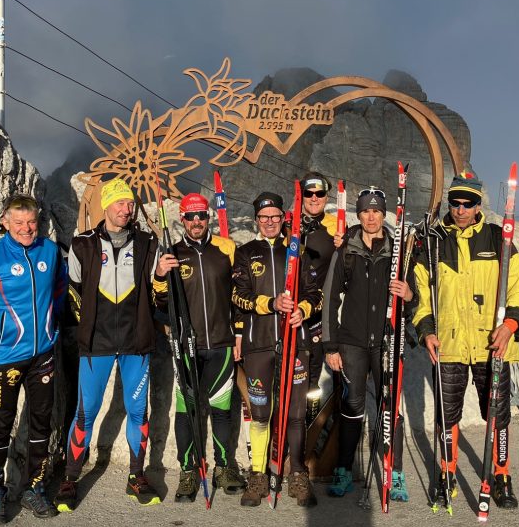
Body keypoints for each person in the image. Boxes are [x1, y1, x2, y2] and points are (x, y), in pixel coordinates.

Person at [411, 172, 519, 509]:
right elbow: (422, 297)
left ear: (479, 206)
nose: (461, 209)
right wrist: (426, 331)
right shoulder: (434, 242)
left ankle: (502, 476)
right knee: (447, 415)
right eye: (455, 202)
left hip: (491, 344)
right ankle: (447, 473)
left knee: (498, 414)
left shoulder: (498, 239)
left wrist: (509, 326)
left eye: (468, 203)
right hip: (448, 343)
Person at [54, 178, 161, 509]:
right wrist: (83, 329)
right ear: (106, 206)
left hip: (136, 344)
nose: (126, 210)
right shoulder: (83, 244)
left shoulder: (147, 243)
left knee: (138, 411)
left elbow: (159, 291)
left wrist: (162, 276)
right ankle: (70, 478)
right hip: (95, 345)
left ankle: (136, 476)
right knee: (85, 412)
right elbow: (71, 291)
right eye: (119, 203)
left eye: (130, 204)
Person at [0, 193, 66, 525]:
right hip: (6, 359)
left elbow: (59, 292)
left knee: (41, 425)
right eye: (19, 223)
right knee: (1, 427)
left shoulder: (50, 252)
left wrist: (56, 329)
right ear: (5, 223)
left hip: (43, 356)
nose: (27, 229)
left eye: (32, 222)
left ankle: (33, 488)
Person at [232, 191, 324, 508]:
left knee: (296, 414)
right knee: (260, 415)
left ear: (284, 219)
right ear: (257, 221)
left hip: (295, 345)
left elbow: (317, 297)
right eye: (263, 218)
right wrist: (270, 304)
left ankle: (297, 475)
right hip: (259, 347)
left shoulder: (299, 254)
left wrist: (303, 309)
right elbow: (238, 297)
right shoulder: (246, 253)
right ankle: (258, 475)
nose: (269, 223)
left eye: (274, 217)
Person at [321, 187, 413, 500]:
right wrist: (330, 346)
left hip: (386, 340)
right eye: (365, 211)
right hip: (352, 341)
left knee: (390, 408)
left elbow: (416, 296)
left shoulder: (398, 249)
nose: (371, 217)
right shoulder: (346, 247)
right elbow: (330, 297)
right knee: (352, 407)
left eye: (376, 211)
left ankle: (394, 472)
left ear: (383, 213)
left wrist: (409, 295)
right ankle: (344, 469)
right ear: (358, 214)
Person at [153, 193, 246, 501]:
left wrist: (238, 336)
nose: (196, 222)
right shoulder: (173, 254)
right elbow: (160, 303)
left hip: (220, 344)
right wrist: (160, 275)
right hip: (186, 346)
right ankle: (189, 472)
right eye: (190, 217)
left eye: (201, 216)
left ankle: (223, 468)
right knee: (187, 409)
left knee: (221, 409)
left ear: (208, 218)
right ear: (182, 220)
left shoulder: (225, 251)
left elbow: (238, 296)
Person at [297, 173, 342, 402]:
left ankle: (311, 423)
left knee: (314, 376)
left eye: (320, 194)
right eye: (309, 193)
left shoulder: (337, 227)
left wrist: (344, 247)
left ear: (327, 197)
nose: (314, 198)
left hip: (320, 312)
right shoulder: (287, 223)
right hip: (291, 312)